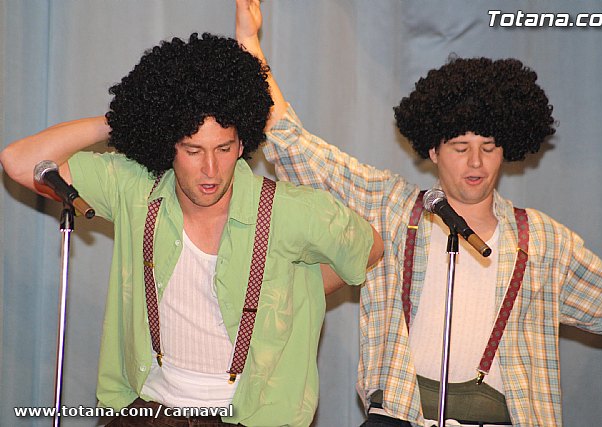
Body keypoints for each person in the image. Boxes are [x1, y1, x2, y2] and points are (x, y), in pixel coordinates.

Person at [235, 1, 602, 426]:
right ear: (433, 150)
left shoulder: (543, 241)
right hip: (398, 417)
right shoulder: (390, 209)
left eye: (489, 148)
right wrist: (249, 42)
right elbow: (293, 144)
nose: (476, 162)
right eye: (460, 148)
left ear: (506, 151)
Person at [0, 22, 384, 427]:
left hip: (248, 418)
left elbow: (371, 247)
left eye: (224, 148)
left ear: (242, 143)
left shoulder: (290, 210)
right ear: (168, 143)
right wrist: (123, 120)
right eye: (193, 149)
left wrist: (292, 292)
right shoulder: (136, 188)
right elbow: (18, 162)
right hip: (146, 411)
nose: (210, 169)